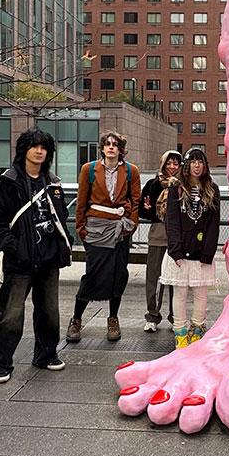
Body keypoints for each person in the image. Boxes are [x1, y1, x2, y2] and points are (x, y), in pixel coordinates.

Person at [0, 129, 73, 384]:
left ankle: (46, 355)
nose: (39, 151)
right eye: (34, 146)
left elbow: (60, 218)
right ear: (23, 149)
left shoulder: (53, 183)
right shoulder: (8, 182)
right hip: (19, 260)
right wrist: (13, 246)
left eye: (44, 148)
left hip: (48, 258)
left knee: (49, 311)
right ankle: (1, 364)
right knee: (10, 314)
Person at [66, 131, 140, 343]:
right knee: (93, 274)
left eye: (115, 145)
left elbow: (135, 200)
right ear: (102, 148)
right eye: (107, 144)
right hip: (95, 229)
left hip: (120, 229)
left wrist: (131, 226)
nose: (111, 148)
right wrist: (81, 229)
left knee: (118, 273)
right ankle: (77, 319)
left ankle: (113, 318)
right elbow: (81, 200)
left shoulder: (130, 171)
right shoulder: (89, 169)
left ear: (120, 149)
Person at [160, 148, 220, 348]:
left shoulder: (212, 189)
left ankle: (197, 331)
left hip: (201, 252)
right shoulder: (176, 188)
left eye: (200, 161)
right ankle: (180, 333)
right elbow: (172, 222)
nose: (196, 165)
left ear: (205, 165)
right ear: (187, 165)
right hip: (180, 252)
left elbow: (213, 225)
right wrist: (175, 250)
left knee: (201, 293)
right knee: (180, 293)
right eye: (193, 161)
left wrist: (208, 253)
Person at [139, 150, 182, 332]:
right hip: (157, 233)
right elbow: (143, 210)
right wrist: (148, 208)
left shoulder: (183, 185)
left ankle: (176, 317)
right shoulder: (152, 184)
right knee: (153, 277)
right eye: (168, 163)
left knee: (176, 280)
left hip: (177, 237)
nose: (172, 167)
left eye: (175, 164)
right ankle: (152, 316)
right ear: (163, 164)